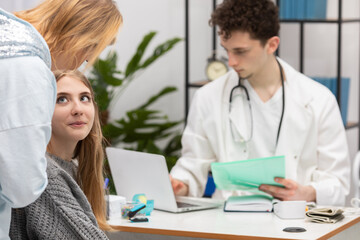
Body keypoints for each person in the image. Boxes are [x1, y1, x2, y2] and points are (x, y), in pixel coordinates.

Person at [170, 0, 350, 206]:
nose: (231, 62)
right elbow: (192, 166)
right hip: (227, 225)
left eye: (240, 51)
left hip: (296, 223)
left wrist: (307, 192)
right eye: (226, 50)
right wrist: (179, 184)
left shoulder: (318, 99)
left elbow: (338, 184)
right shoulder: (208, 97)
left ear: (272, 44)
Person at [0, 1, 122, 239]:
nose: (82, 63)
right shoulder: (27, 66)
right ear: (81, 38)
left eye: (85, 98)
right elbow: (22, 185)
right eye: (61, 99)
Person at [10, 70, 110, 239]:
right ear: (41, 110)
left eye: (84, 98)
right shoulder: (45, 174)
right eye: (62, 99)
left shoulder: (68, 166)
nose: (78, 109)